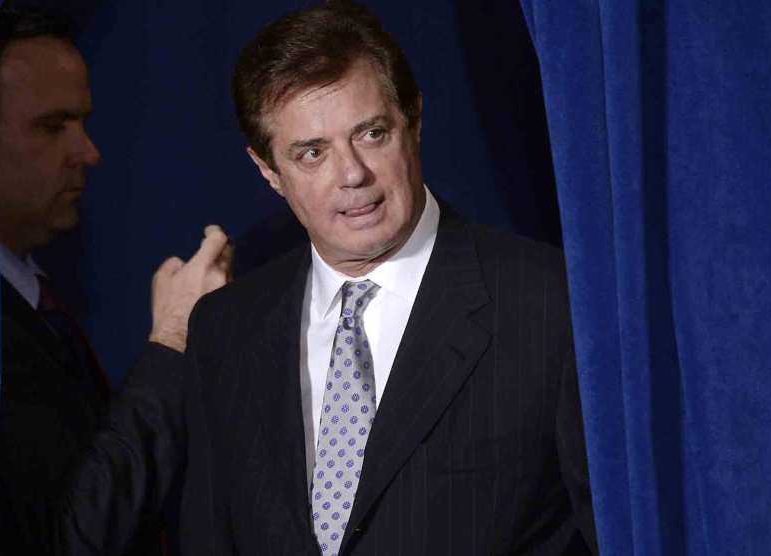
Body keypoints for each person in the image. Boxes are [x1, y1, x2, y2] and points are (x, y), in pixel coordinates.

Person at [57, 2, 596, 554]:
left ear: (414, 122)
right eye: (313, 153)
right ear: (269, 171)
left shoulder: (550, 305)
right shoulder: (225, 329)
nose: (352, 174)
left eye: (372, 134)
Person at [0, 5, 232, 554]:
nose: (89, 152)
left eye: (83, 122)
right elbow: (75, 537)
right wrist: (174, 335)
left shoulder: (36, 306)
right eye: (52, 126)